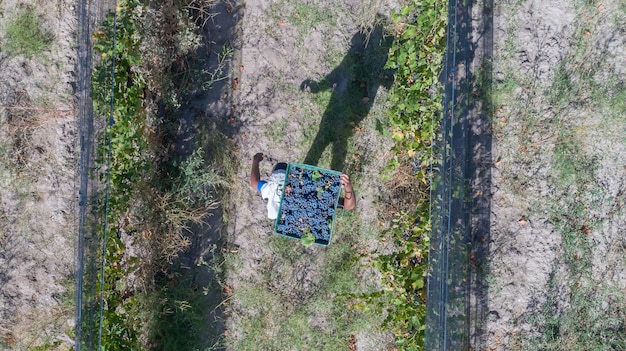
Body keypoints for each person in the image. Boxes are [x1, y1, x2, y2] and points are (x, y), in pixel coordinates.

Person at [249, 153, 355, 220]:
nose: (288, 189)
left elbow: (254, 182)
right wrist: (348, 188)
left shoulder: (270, 190)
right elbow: (349, 206)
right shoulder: (273, 191)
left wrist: (255, 161)